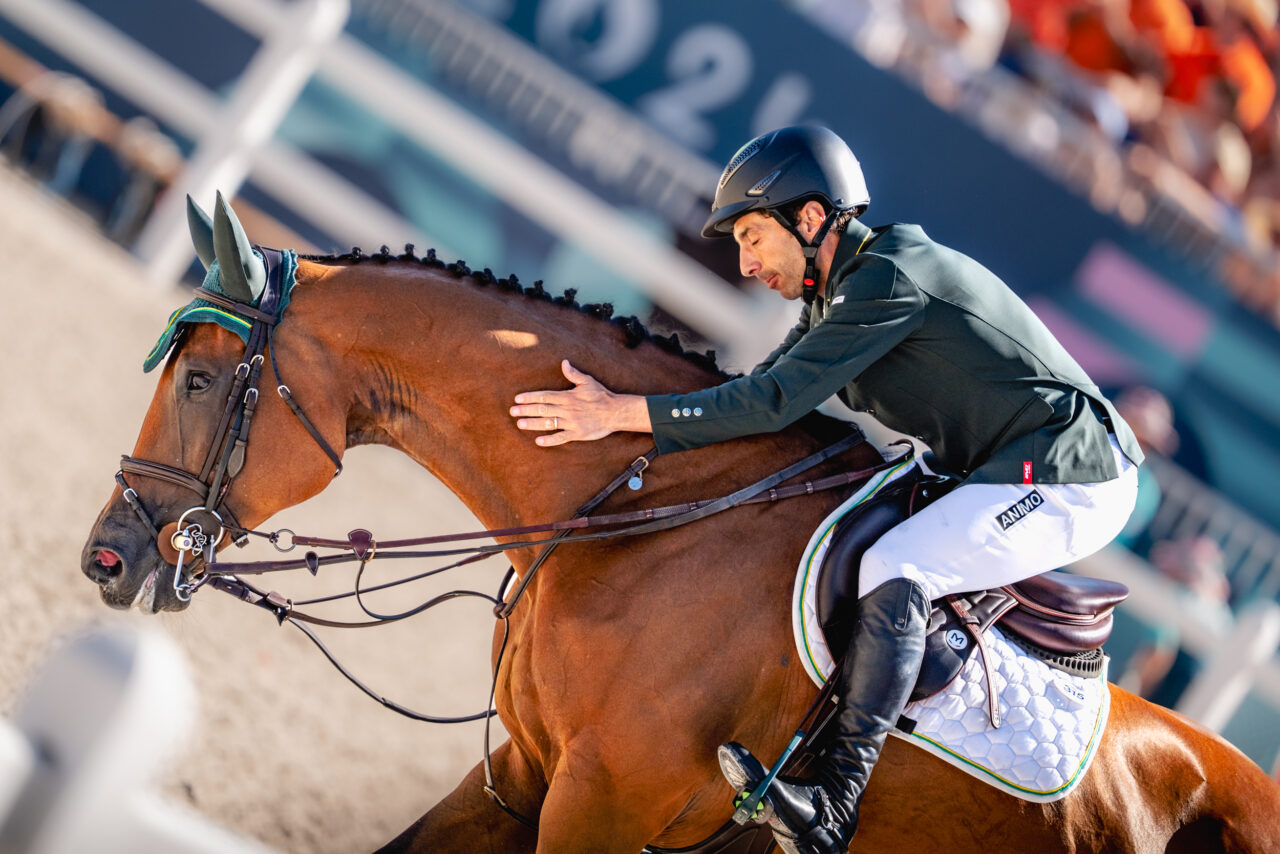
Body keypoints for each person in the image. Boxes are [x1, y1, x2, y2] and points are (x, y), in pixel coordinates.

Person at [507, 126, 1144, 854]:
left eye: (753, 238)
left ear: (811, 221)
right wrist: (627, 411)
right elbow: (759, 396)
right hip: (1002, 460)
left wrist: (620, 413)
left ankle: (836, 802)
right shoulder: (840, 289)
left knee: (897, 566)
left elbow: (773, 403)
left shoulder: (889, 278)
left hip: (1070, 473)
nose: (745, 264)